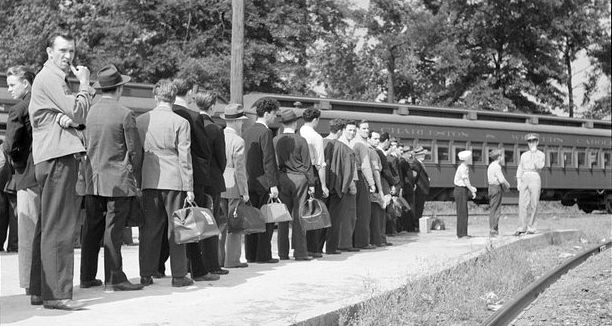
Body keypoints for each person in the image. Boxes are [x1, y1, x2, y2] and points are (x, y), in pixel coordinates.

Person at [28, 32, 95, 310]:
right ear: (49, 52)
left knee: (47, 225)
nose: (68, 56)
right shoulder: (52, 78)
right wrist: (85, 84)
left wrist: (72, 118)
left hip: (50, 156)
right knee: (60, 227)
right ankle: (57, 295)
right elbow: (79, 114)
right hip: (58, 156)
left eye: (72, 51)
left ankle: (40, 290)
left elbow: (71, 117)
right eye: (63, 50)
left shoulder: (48, 79)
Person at [79, 64, 144, 291]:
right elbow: (134, 151)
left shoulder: (88, 111)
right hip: (117, 181)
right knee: (113, 230)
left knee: (91, 229)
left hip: (91, 180)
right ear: (119, 89)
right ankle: (115, 278)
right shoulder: (125, 114)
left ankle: (87, 277)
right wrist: (135, 176)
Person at [136, 79, 195, 287]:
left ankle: (146, 273)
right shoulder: (181, 122)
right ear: (173, 97)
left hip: (149, 178)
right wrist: (189, 187)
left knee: (149, 229)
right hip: (174, 179)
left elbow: (136, 153)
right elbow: (184, 157)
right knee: (176, 228)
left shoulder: (142, 120)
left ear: (155, 96)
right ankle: (179, 275)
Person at [171, 79, 219, 282]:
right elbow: (203, 150)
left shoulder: (167, 112)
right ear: (190, 92)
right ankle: (197, 269)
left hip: (165, 176)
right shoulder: (192, 116)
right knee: (192, 224)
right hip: (191, 176)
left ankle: (156, 269)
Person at [3, 66, 35, 264]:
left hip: (25, 175)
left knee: (27, 232)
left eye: (12, 85)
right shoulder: (42, 103)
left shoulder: (18, 109)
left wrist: (14, 157)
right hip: (45, 172)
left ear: (26, 83)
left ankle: (30, 284)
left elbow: (9, 145)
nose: (9, 89)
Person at [274, 108, 315, 261]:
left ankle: (282, 253)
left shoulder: (275, 140)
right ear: (295, 123)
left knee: (283, 216)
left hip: (282, 178)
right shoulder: (301, 140)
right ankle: (300, 252)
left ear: (282, 124)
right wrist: (311, 183)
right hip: (299, 179)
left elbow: (275, 163)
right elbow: (307, 164)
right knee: (299, 216)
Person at [194, 90, 228, 275]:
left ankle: (194, 263)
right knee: (211, 223)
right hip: (212, 180)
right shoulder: (215, 128)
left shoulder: (191, 123)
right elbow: (221, 159)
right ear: (212, 106)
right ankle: (212, 265)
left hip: (196, 180)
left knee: (195, 223)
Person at [243, 97, 280, 264]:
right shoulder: (265, 132)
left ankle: (251, 254)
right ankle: (263, 255)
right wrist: (273, 184)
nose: (275, 117)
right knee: (266, 220)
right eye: (274, 114)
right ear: (266, 113)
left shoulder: (247, 131)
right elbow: (269, 160)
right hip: (263, 183)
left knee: (252, 220)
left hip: (249, 182)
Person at [219, 104, 250, 268]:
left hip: (219, 184)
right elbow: (240, 169)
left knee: (220, 225)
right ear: (238, 122)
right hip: (233, 186)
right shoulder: (238, 140)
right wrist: (245, 191)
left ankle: (218, 259)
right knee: (235, 225)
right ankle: (232, 260)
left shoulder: (219, 135)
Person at [299, 108, 329, 258]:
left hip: (297, 176)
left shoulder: (299, 132)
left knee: (299, 212)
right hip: (312, 175)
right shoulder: (316, 137)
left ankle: (300, 247)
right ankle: (314, 248)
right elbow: (320, 164)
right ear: (316, 119)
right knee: (314, 212)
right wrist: (323, 185)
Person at [322, 119, 356, 254]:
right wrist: (343, 188)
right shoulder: (345, 149)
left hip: (322, 187)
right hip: (337, 189)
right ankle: (331, 248)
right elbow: (348, 173)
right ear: (341, 131)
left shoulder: (321, 143)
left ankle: (317, 248)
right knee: (334, 220)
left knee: (320, 217)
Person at [350, 120, 376, 249]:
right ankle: (363, 242)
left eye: (368, 129)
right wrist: (372, 183)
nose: (367, 131)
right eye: (364, 128)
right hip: (360, 177)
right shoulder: (362, 145)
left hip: (353, 177)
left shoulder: (352, 142)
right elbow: (366, 166)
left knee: (355, 211)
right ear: (358, 129)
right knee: (364, 212)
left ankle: (354, 240)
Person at [515, 133, 545, 236]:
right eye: (529, 141)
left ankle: (531, 227)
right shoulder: (524, 155)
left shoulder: (541, 154)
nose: (531, 143)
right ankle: (521, 227)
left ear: (537, 142)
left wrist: (534, 153)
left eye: (533, 141)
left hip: (535, 176)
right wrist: (518, 180)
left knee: (534, 203)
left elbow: (540, 166)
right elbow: (520, 167)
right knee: (522, 203)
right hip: (525, 176)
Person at [337, 121, 359, 252]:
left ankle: (345, 242)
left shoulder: (348, 143)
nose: (352, 133)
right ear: (344, 130)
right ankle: (345, 243)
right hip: (347, 182)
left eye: (354, 131)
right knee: (347, 214)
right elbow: (346, 168)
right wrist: (351, 184)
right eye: (350, 130)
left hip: (347, 181)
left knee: (348, 215)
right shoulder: (344, 145)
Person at [366, 130, 386, 247]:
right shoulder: (373, 152)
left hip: (368, 185)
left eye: (378, 139)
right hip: (373, 186)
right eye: (374, 138)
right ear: (368, 139)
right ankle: (376, 240)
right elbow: (376, 173)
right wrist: (381, 191)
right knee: (376, 215)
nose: (377, 141)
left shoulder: (370, 150)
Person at [454, 150, 477, 238]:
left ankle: (463, 233)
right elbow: (465, 180)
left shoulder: (463, 167)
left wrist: (471, 188)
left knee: (463, 212)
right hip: (460, 190)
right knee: (462, 212)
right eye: (470, 158)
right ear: (466, 159)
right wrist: (472, 190)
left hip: (461, 190)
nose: (471, 159)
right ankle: (462, 234)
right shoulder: (463, 168)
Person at [487, 149, 510, 237]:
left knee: (493, 208)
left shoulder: (491, 166)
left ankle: (492, 230)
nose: (503, 158)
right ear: (499, 157)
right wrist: (507, 185)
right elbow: (501, 179)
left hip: (491, 188)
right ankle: (494, 230)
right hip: (496, 188)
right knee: (496, 210)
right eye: (502, 156)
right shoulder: (497, 166)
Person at [0, 142, 18, 253]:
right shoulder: (9, 145)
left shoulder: (3, 147)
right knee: (14, 217)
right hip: (13, 184)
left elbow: (2, 165)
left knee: (3, 216)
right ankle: (14, 245)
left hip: (4, 185)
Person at [411, 146, 431, 231]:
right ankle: (416, 225)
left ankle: (417, 224)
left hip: (421, 189)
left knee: (420, 207)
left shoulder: (419, 163)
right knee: (418, 207)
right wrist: (414, 184)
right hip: (419, 189)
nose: (424, 156)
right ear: (418, 155)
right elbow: (414, 176)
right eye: (422, 154)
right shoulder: (416, 164)